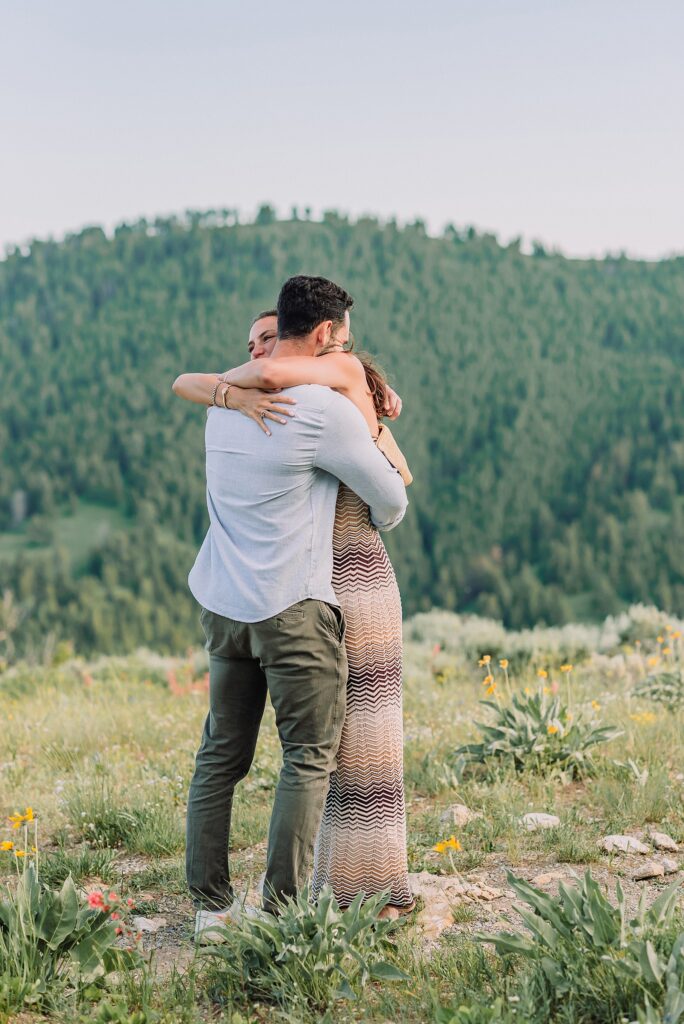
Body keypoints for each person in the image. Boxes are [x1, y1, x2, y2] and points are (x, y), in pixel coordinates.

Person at [177, 276, 408, 938]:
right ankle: (280, 913)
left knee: (221, 754)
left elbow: (197, 386)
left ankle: (211, 907)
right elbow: (390, 506)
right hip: (291, 607)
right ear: (322, 339)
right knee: (308, 755)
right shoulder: (321, 412)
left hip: (223, 604)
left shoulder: (222, 409)